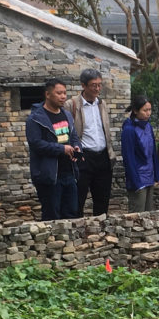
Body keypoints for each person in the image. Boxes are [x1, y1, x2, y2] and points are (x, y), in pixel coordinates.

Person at [26, 79, 82, 221]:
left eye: (64, 93)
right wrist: (61, 149)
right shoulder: (35, 118)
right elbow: (36, 144)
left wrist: (76, 147)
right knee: (52, 215)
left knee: (71, 214)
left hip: (69, 172)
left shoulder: (67, 115)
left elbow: (74, 136)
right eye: (59, 93)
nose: (63, 96)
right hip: (49, 175)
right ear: (48, 94)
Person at [64, 68, 115, 217]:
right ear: (83, 85)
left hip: (103, 157)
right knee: (78, 198)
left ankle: (101, 233)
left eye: (99, 85)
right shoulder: (72, 105)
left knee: (102, 199)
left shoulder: (102, 104)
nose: (97, 88)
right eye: (94, 85)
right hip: (84, 157)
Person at [121, 96, 159, 212]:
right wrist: (136, 181)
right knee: (137, 213)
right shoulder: (129, 130)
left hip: (149, 175)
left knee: (149, 212)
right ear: (135, 111)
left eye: (150, 110)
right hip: (138, 177)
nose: (148, 113)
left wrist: (157, 174)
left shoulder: (148, 126)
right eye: (145, 110)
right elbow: (128, 158)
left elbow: (153, 152)